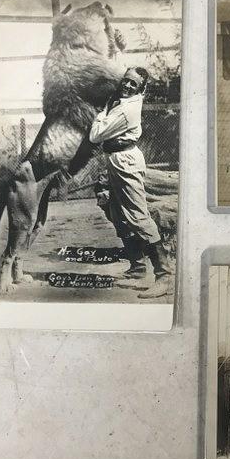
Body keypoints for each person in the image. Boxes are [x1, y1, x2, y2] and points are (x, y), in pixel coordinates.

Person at [90, 66, 172, 298]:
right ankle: (137, 267)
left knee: (138, 216)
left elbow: (95, 135)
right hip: (115, 159)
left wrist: (102, 112)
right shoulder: (121, 102)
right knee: (115, 211)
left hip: (126, 161)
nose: (126, 86)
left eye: (132, 84)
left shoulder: (127, 109)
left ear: (141, 89)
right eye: (125, 81)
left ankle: (164, 276)